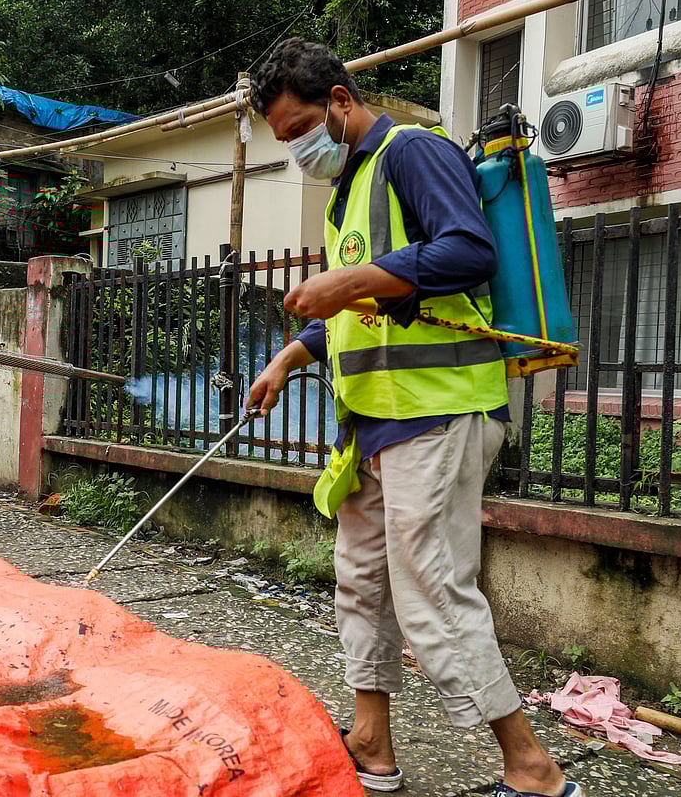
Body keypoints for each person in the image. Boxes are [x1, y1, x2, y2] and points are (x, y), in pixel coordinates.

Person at [247, 39, 582, 797]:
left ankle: (534, 769)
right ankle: (371, 742)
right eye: (282, 138)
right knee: (362, 584)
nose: (296, 148)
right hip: (374, 423)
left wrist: (350, 281)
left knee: (433, 592)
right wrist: (289, 357)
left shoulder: (414, 152)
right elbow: (359, 310)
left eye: (299, 128)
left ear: (339, 101)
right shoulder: (348, 191)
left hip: (437, 412)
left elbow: (467, 251)